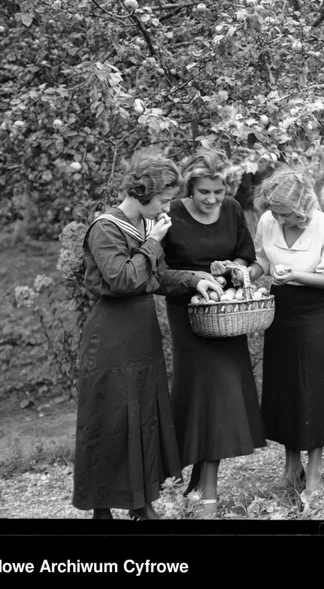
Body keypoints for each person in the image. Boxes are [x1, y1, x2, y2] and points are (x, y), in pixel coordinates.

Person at [72, 153, 221, 520]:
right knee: (109, 420)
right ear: (143, 192)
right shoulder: (106, 227)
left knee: (141, 419)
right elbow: (124, 280)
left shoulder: (142, 227)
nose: (165, 207)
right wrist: (154, 242)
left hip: (141, 335)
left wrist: (194, 279)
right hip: (111, 338)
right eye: (161, 199)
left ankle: (141, 503)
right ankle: (102, 510)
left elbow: (154, 278)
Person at [161, 150, 266, 517]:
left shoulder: (234, 210)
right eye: (204, 192)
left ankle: (208, 490)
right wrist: (194, 280)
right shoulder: (169, 213)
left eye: (218, 192)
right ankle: (189, 478)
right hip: (188, 314)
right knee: (199, 394)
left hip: (227, 313)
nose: (211, 200)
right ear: (189, 188)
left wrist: (235, 270)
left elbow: (250, 258)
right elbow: (156, 273)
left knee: (219, 396)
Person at [254, 168, 324, 492]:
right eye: (276, 213)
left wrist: (295, 275)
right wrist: (245, 271)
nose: (280, 220)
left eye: (286, 214)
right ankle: (290, 466)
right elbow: (262, 262)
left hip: (316, 314)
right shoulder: (268, 221)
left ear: (303, 207)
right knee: (284, 391)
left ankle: (314, 473)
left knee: (315, 393)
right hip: (280, 311)